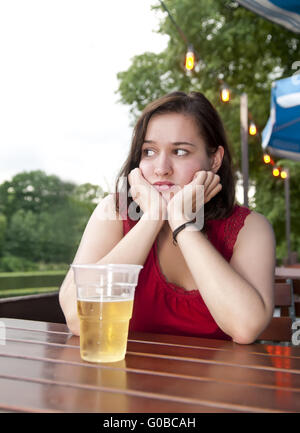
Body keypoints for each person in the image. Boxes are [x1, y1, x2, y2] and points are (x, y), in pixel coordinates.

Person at [59, 91, 275, 344]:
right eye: (149, 151)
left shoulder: (251, 229)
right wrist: (153, 218)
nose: (161, 168)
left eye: (180, 152)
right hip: (123, 381)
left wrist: (181, 222)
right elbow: (77, 317)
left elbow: (245, 327)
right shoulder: (113, 213)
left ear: (214, 160)